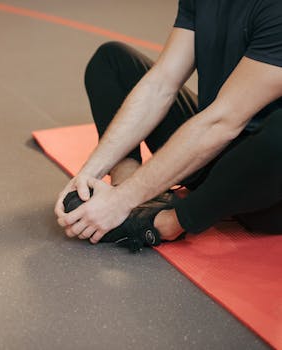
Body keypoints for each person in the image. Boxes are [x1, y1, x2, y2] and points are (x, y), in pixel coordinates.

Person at [55, 0, 282, 250]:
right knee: (111, 62)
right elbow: (161, 83)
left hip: (267, 187)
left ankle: (170, 222)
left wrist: (121, 201)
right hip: (215, 153)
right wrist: (88, 175)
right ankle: (133, 194)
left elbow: (223, 121)